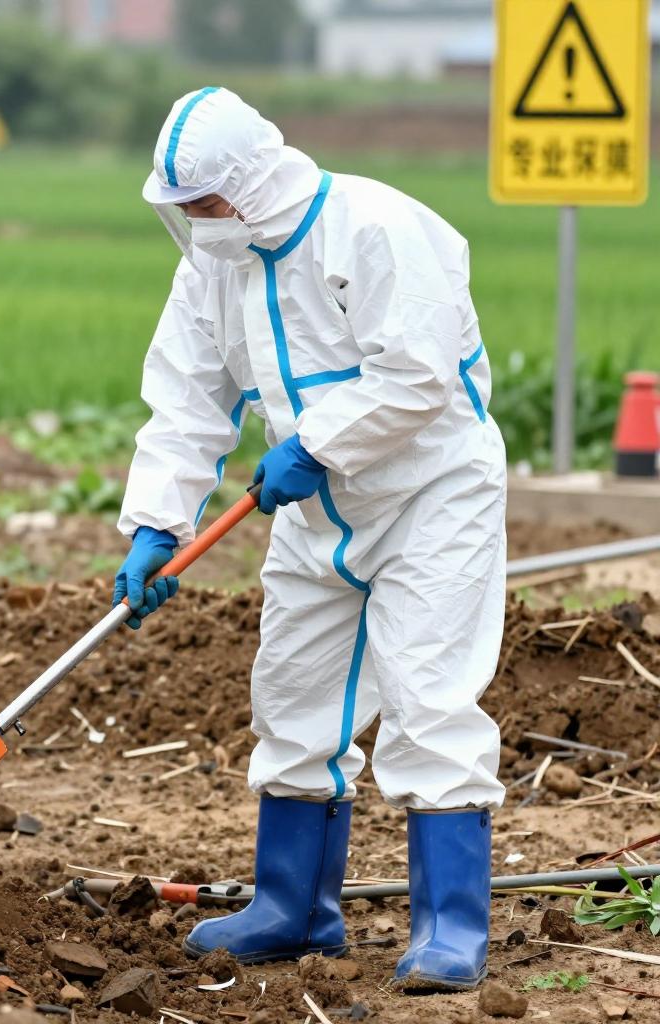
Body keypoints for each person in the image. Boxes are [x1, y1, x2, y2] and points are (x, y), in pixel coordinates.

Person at [112, 87, 507, 992]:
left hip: (428, 498)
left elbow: (417, 379)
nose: (197, 225)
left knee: (429, 700)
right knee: (293, 696)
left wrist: (316, 445)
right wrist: (152, 525)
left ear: (253, 183)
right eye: (184, 210)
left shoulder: (373, 228)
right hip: (314, 511)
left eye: (207, 205)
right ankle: (294, 908)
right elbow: (184, 404)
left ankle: (450, 926)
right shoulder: (212, 269)